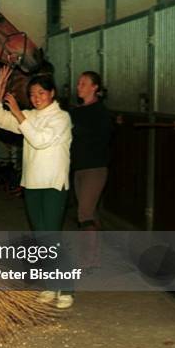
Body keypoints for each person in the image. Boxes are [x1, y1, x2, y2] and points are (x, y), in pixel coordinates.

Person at [0, 66, 74, 309]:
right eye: (33, 94)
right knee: (41, 237)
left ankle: (66, 288)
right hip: (33, 183)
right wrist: (0, 89)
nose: (36, 98)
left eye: (41, 93)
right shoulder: (31, 116)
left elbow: (39, 140)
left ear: (52, 93)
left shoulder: (61, 118)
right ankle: (50, 285)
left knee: (52, 235)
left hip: (53, 184)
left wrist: (17, 111)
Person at [70, 71, 113, 231]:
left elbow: (102, 137)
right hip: (79, 167)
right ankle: (96, 250)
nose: (78, 87)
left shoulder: (101, 112)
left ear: (94, 87)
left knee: (85, 215)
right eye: (78, 83)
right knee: (89, 212)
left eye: (83, 84)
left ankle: (87, 254)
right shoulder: (75, 111)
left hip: (94, 168)